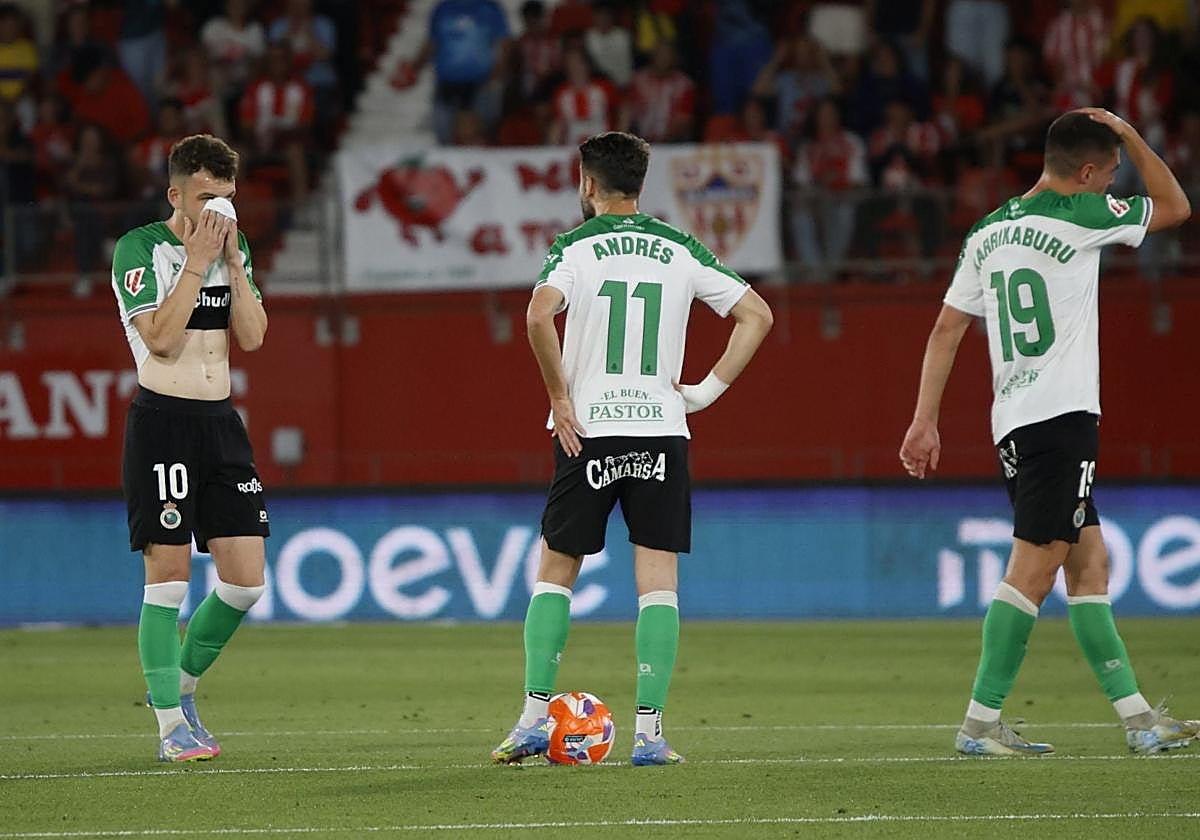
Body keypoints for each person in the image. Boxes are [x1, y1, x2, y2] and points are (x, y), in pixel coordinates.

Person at [899, 109, 1197, 756]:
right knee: (1033, 570)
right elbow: (1174, 206)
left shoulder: (986, 231)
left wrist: (925, 419)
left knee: (1090, 565)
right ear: (1086, 173)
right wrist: (1132, 131)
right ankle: (979, 724)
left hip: (1013, 420)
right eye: (1110, 173)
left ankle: (1139, 719)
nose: (1115, 183)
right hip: (1062, 420)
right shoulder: (1085, 215)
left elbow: (947, 329)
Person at [490, 131, 773, 766]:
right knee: (658, 583)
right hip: (660, 430)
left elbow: (538, 315)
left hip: (587, 429)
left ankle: (535, 720)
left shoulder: (574, 246)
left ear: (587, 183)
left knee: (557, 572)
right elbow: (758, 314)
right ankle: (649, 735)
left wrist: (560, 397)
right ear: (641, 184)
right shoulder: (679, 246)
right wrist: (704, 392)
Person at [110, 134, 270, 762]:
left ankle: (177, 685)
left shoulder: (233, 249)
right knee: (168, 577)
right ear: (176, 194)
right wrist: (199, 261)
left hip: (220, 423)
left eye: (226, 199)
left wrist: (230, 263)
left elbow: (253, 337)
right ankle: (171, 727)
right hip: (163, 422)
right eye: (206, 198)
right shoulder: (140, 248)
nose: (218, 213)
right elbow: (162, 341)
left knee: (245, 582)